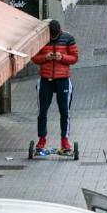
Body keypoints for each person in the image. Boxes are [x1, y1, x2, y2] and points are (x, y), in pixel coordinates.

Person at [30, 20, 79, 153]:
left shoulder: (69, 38)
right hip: (45, 79)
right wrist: (45, 57)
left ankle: (65, 141)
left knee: (65, 112)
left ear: (59, 32)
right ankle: (41, 140)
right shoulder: (41, 39)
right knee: (42, 112)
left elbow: (74, 58)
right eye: (51, 36)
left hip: (63, 79)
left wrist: (61, 57)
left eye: (55, 36)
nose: (53, 38)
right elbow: (34, 57)